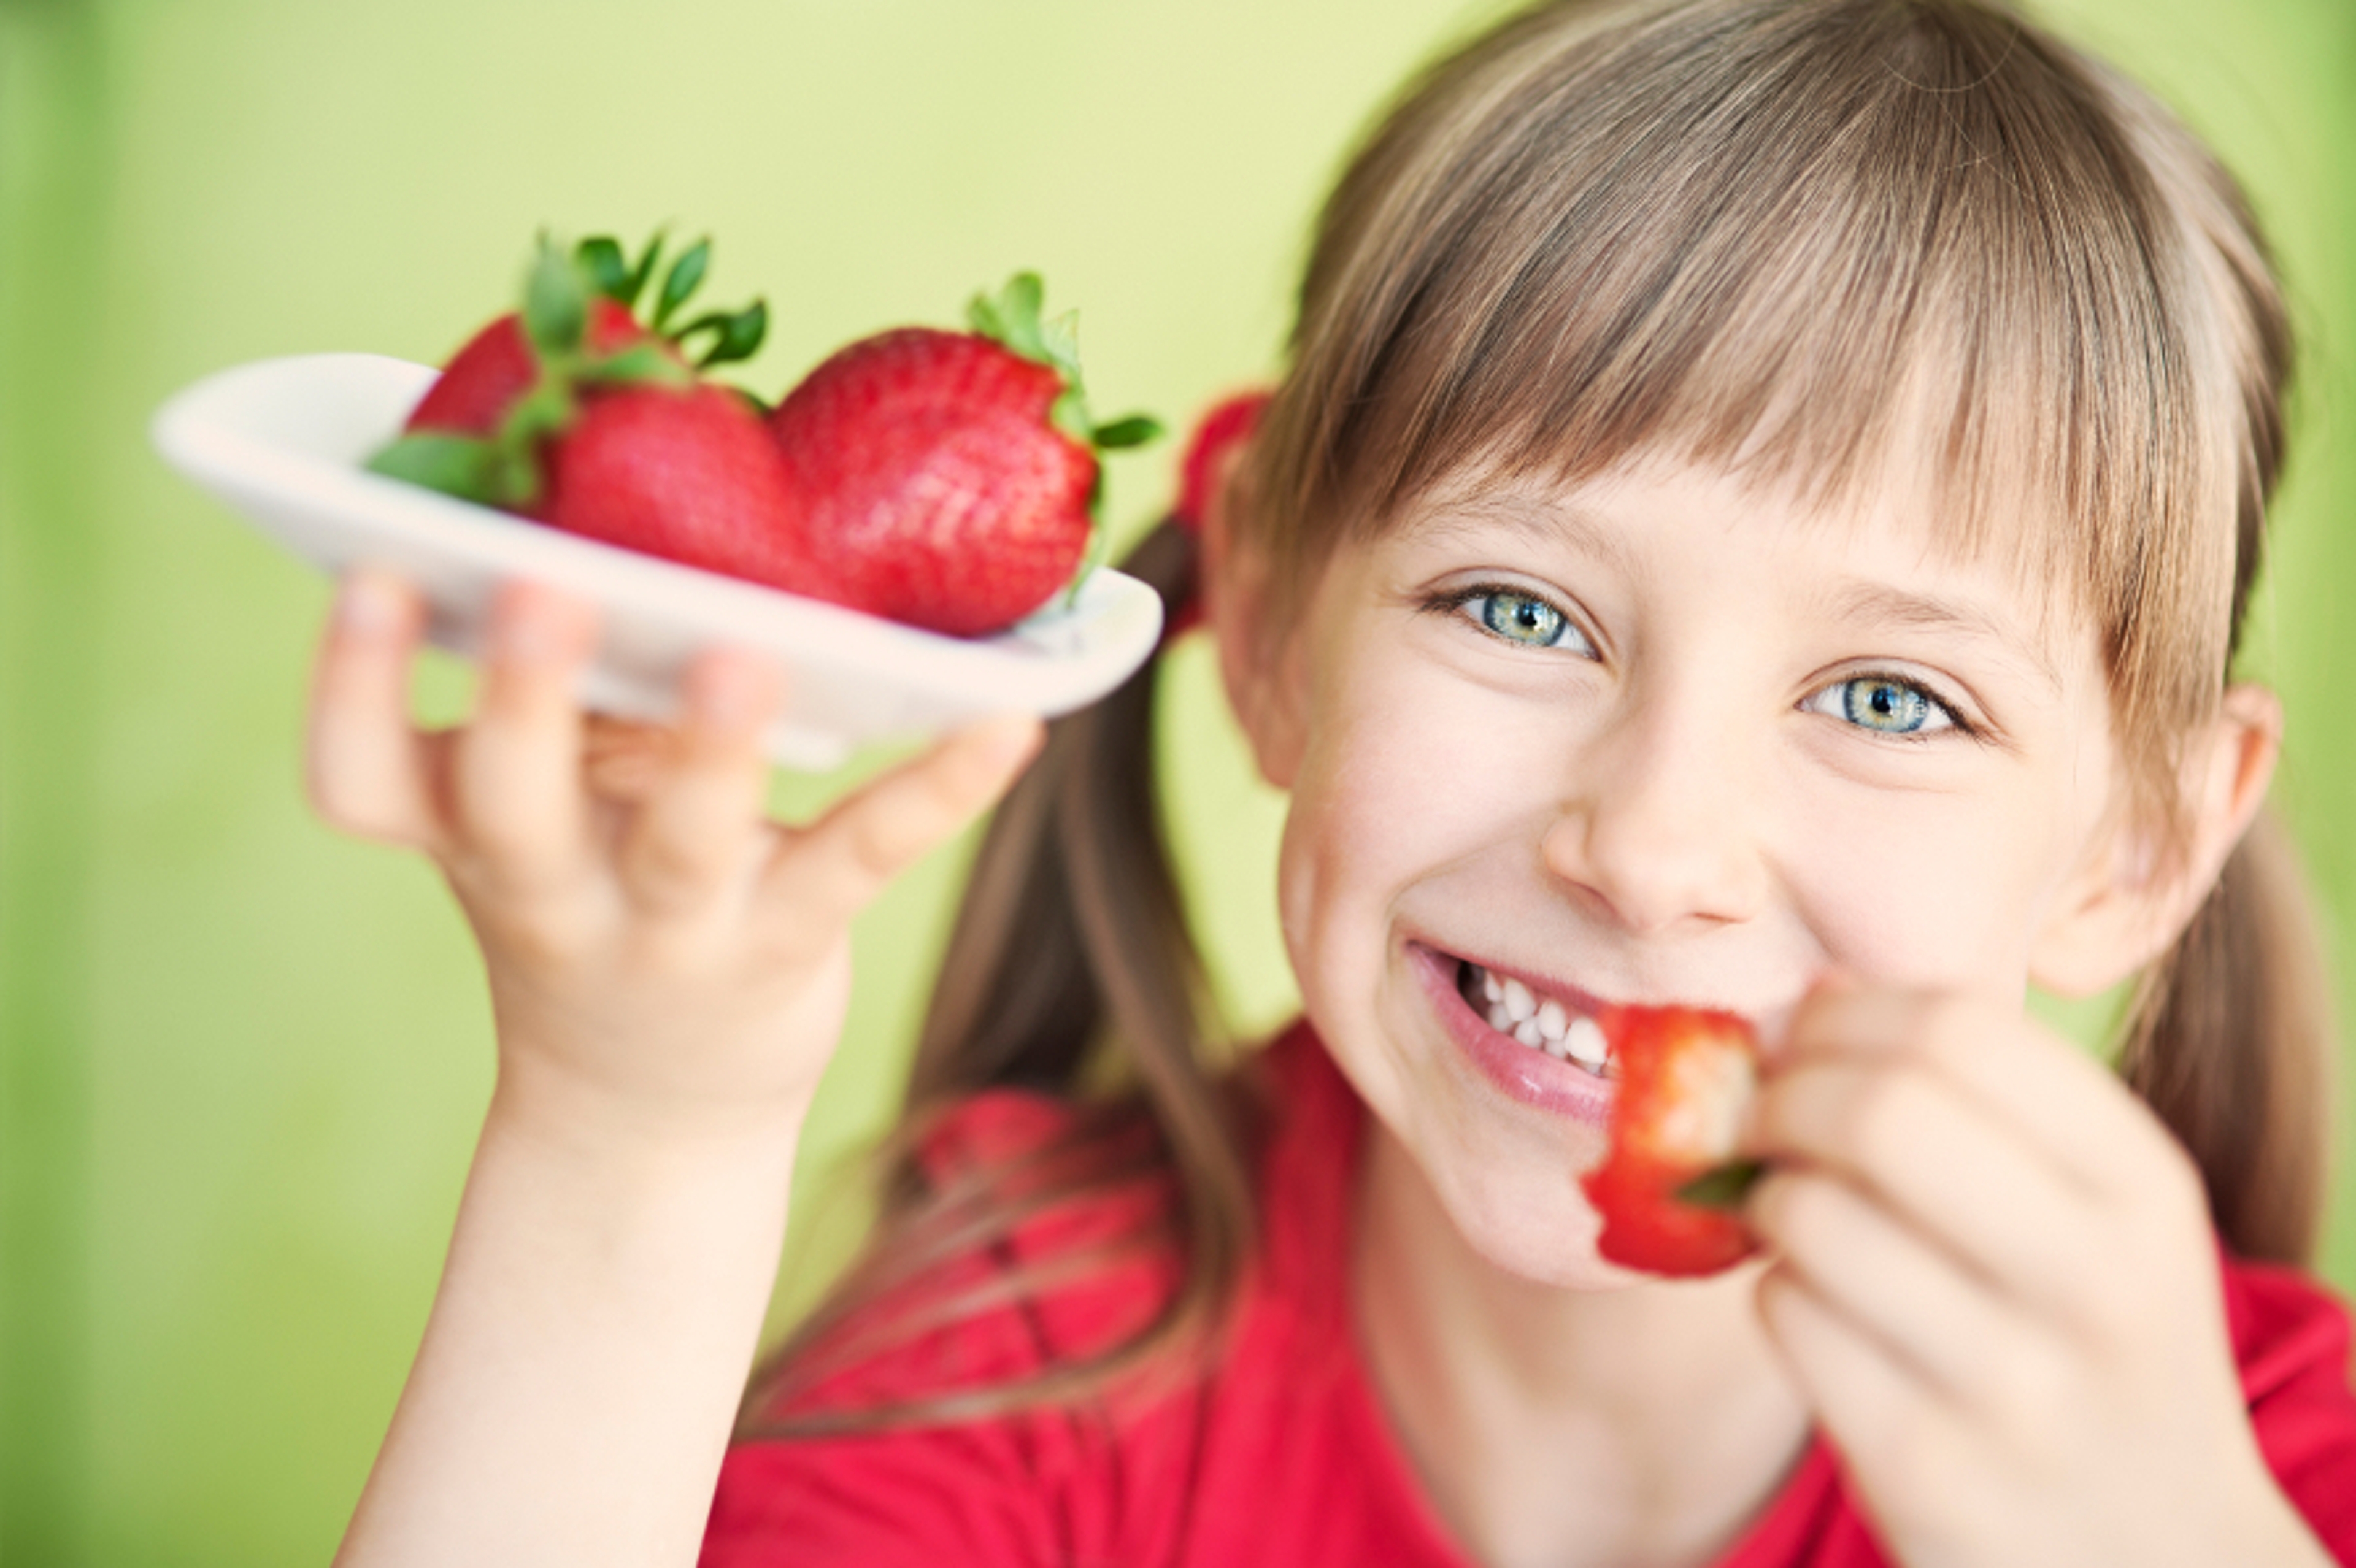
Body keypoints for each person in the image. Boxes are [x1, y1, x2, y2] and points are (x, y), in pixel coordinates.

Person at [306, 1, 2356, 1563]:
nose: (1649, 850)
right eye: (1524, 611)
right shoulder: (1030, 1359)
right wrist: (628, 1139)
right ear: (1276, 625)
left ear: (2144, 837)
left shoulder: (2261, 1469)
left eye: (1897, 700)